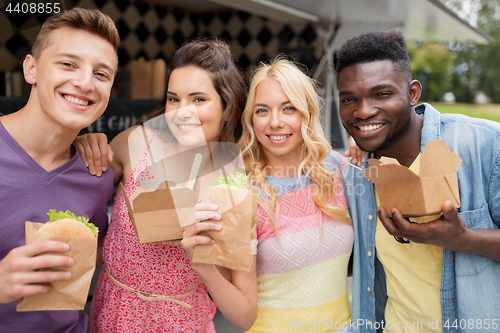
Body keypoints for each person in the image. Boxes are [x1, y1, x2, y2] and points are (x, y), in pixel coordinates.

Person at [76, 38, 257, 332]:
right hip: (115, 314)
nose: (181, 112)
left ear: (226, 103)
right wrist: (84, 144)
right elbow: (78, 195)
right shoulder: (136, 143)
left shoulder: (233, 184)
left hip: (183, 322)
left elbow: (245, 316)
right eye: (174, 99)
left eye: (198, 99)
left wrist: (203, 263)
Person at [335, 30, 500, 333]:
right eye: (349, 99)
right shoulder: (357, 174)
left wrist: (464, 239)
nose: (363, 111)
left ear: (412, 93)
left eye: (381, 94)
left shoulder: (484, 146)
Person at [183, 57, 354, 332]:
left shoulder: (339, 170)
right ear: (251, 119)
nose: (275, 122)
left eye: (288, 108)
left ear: (307, 112)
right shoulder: (239, 194)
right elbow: (243, 316)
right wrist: (203, 265)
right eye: (262, 111)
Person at [0, 8, 118, 333]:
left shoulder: (97, 173)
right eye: (68, 64)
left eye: (101, 74)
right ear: (31, 68)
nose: (84, 83)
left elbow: (89, 251)